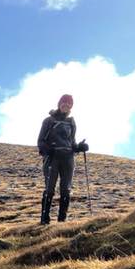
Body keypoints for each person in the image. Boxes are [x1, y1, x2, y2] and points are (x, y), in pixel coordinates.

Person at [37, 94, 88, 224]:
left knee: (66, 189)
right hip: (52, 158)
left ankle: (62, 221)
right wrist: (48, 150)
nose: (66, 105)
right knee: (50, 188)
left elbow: (72, 143)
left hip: (68, 158)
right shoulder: (48, 121)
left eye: (69, 103)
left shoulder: (71, 122)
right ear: (59, 104)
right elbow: (41, 141)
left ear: (71, 106)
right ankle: (44, 219)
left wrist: (80, 147)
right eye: (64, 103)